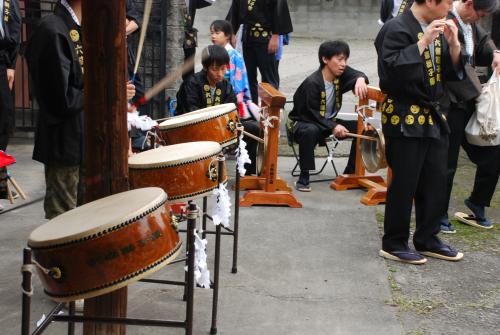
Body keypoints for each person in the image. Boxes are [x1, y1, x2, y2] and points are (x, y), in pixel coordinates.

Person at [26, 0, 134, 219]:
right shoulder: (52, 29)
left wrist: (115, 91)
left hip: (86, 137)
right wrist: (107, 92)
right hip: (64, 138)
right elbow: (61, 98)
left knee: (88, 214)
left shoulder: (81, 27)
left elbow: (88, 83)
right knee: (62, 218)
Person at [375, 0, 464, 264]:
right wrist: (422, 42)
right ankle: (394, 242)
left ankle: (428, 238)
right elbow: (390, 72)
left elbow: (450, 72)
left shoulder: (436, 28)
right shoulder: (395, 28)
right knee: (405, 181)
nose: (450, 6)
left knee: (435, 178)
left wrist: (455, 45)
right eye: (447, 1)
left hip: (433, 114)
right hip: (404, 113)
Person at [440, 0, 500, 233]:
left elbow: (484, 40)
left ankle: (478, 202)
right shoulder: (446, 19)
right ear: (468, 4)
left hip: (471, 102)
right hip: (451, 103)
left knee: (493, 154)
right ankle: (438, 214)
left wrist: (495, 51)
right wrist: (481, 92)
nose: (479, 19)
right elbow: (457, 66)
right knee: (448, 163)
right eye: (480, 13)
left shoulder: (469, 22)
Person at [288, 40, 368, 191]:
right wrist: (334, 126)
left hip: (327, 123)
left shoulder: (340, 75)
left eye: (345, 59)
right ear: (325, 59)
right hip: (304, 123)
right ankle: (304, 177)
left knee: (362, 127)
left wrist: (360, 79)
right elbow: (311, 114)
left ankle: (350, 173)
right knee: (310, 130)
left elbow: (357, 73)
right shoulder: (312, 82)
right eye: (339, 59)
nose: (343, 64)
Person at [209, 20, 260, 174]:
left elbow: (238, 83)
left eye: (217, 33)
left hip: (230, 103)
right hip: (216, 101)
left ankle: (247, 171)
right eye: (212, 33)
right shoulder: (214, 53)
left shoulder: (234, 56)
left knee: (251, 129)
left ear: (228, 36)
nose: (213, 36)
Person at [226, 0, 293, 104]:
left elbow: (278, 11)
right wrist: (232, 33)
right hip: (247, 38)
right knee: (249, 76)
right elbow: (235, 11)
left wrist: (275, 36)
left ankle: (270, 112)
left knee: (269, 78)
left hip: (266, 38)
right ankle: (252, 110)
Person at [0, 0, 21, 211]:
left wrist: (11, 65)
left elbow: (14, 28)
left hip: (1, 61)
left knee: (3, 120)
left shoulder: (9, 2)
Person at [182, 0, 216, 80]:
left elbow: (210, 1)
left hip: (188, 34)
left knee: (189, 70)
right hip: (169, 31)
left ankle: (188, 90)